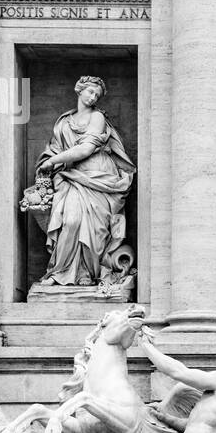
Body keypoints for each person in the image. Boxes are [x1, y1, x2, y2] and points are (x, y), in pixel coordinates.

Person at [36, 76, 135, 287]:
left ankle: (86, 275)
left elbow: (86, 149)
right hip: (72, 177)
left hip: (98, 178)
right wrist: (48, 162)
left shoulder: (97, 117)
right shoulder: (63, 122)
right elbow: (55, 148)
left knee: (95, 229)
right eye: (90, 91)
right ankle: (60, 272)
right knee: (70, 221)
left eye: (97, 95)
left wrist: (53, 161)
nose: (93, 97)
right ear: (79, 90)